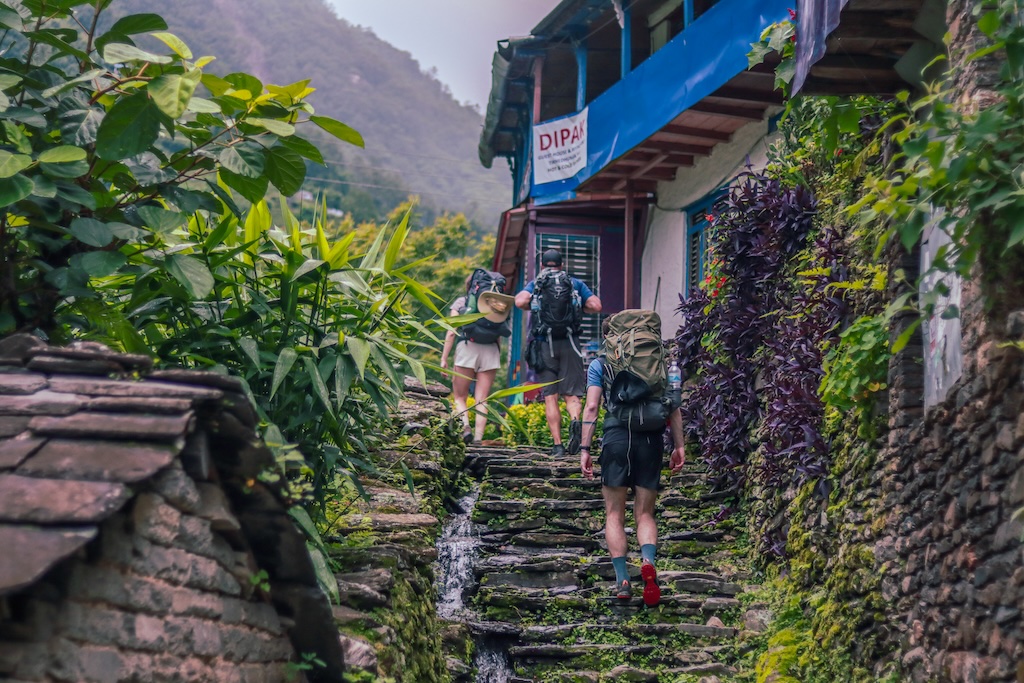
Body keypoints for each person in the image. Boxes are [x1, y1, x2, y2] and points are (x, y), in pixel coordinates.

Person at [579, 316, 686, 606]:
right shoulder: (657, 360)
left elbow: (591, 406)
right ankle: (648, 561)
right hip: (650, 438)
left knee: (614, 513)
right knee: (645, 514)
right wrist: (679, 445)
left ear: (609, 337)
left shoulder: (600, 363)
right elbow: (673, 406)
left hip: (615, 437)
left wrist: (585, 448)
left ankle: (623, 580)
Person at [515, 248, 602, 457]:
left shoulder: (537, 283)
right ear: (562, 265)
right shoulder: (573, 283)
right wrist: (579, 307)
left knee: (550, 397)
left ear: (542, 265)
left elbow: (519, 301)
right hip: (570, 343)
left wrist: (535, 305)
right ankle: (574, 421)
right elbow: (596, 306)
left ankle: (557, 446)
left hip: (545, 346)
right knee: (572, 395)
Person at [441, 274, 514, 444]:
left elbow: (451, 331)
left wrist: (444, 358)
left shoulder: (461, 303)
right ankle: (478, 439)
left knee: (460, 397)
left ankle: (465, 427)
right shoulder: (496, 304)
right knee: (482, 399)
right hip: (490, 350)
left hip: (467, 348)